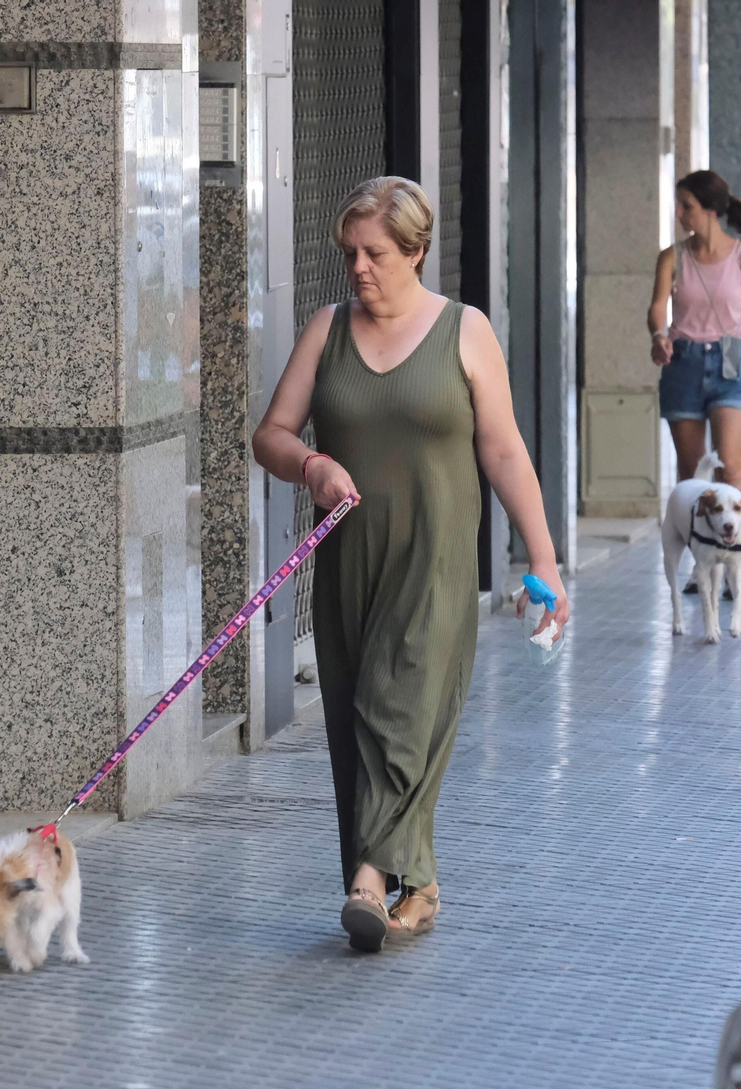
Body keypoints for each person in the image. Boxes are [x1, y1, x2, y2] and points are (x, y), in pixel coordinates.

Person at [251, 177, 570, 952]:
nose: (358, 267)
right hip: (350, 560)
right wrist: (312, 465)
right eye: (350, 253)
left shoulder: (465, 330)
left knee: (396, 708)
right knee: (354, 716)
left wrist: (545, 558)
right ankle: (416, 885)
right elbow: (271, 435)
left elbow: (503, 449)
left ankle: (369, 879)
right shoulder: (327, 330)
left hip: (436, 559)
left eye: (376, 253)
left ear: (417, 250)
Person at [646, 170, 741, 596]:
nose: (679, 213)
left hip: (731, 359)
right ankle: (701, 563)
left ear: (709, 209)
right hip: (684, 360)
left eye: (686, 205)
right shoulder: (672, 257)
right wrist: (659, 335)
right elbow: (657, 307)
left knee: (730, 465)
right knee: (693, 475)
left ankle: (735, 557)